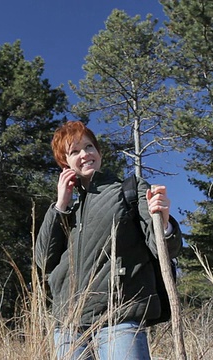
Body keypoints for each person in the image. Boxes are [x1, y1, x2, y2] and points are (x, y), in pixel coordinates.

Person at [35, 121, 182, 359]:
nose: (85, 154)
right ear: (65, 163)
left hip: (119, 316)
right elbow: (42, 260)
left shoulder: (128, 191)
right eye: (74, 151)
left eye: (89, 146)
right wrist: (60, 205)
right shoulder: (66, 209)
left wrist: (164, 223)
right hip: (69, 324)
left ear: (99, 152)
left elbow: (163, 250)